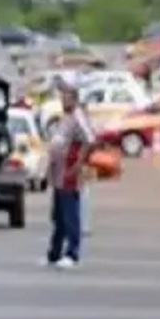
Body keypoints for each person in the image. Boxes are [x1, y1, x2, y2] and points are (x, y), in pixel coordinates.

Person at [45, 79, 96, 268]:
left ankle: (72, 253)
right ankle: (54, 253)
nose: (63, 101)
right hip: (58, 174)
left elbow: (89, 140)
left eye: (66, 98)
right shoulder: (65, 117)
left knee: (70, 213)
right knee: (57, 215)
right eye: (62, 97)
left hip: (69, 172)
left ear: (74, 100)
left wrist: (78, 163)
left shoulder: (77, 116)